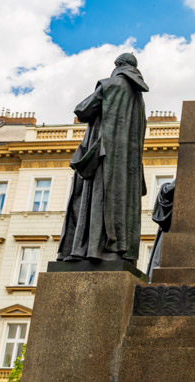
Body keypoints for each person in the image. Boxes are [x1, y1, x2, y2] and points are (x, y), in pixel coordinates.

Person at [58, 53, 149, 265]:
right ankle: (116, 249)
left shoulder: (110, 85)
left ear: (117, 66)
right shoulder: (138, 98)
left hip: (102, 157)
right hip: (126, 165)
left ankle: (89, 250)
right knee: (118, 203)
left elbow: (82, 110)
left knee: (92, 200)